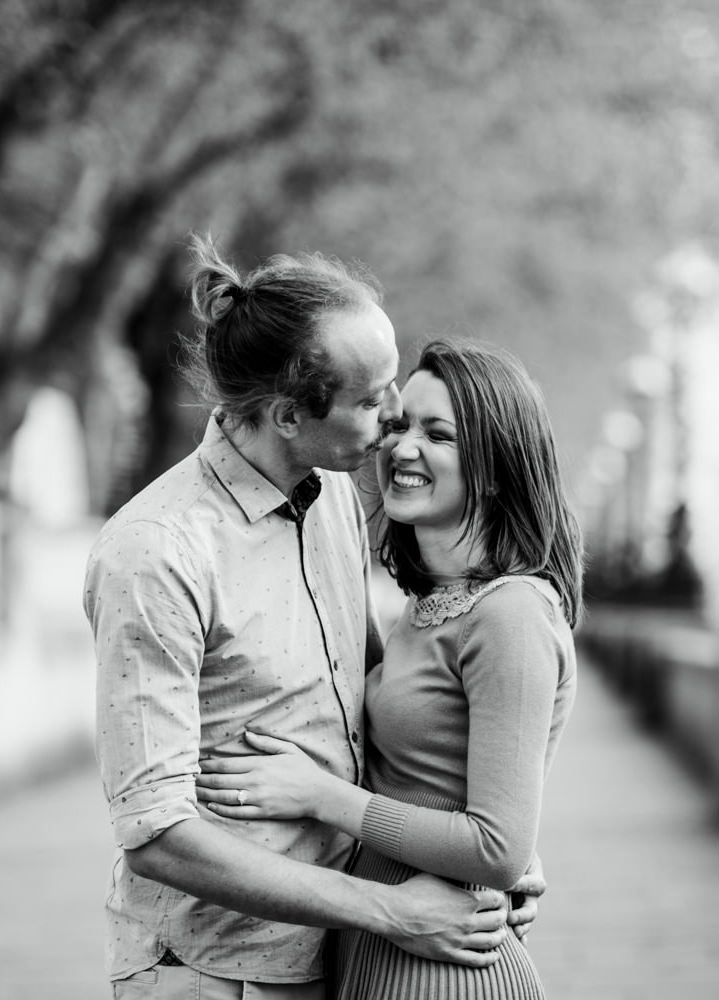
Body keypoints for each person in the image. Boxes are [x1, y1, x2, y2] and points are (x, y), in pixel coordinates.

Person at [84, 238, 538, 1000]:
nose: (394, 418)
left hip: (347, 959)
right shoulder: (155, 552)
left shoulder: (329, 498)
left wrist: (494, 851)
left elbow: (374, 708)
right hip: (213, 974)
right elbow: (157, 835)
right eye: (370, 399)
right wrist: (390, 910)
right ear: (290, 414)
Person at [195, 338, 584, 999]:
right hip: (385, 948)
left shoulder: (511, 613)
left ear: (495, 466)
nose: (403, 448)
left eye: (439, 434)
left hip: (444, 972)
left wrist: (319, 795)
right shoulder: (430, 605)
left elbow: (496, 846)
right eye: (401, 424)